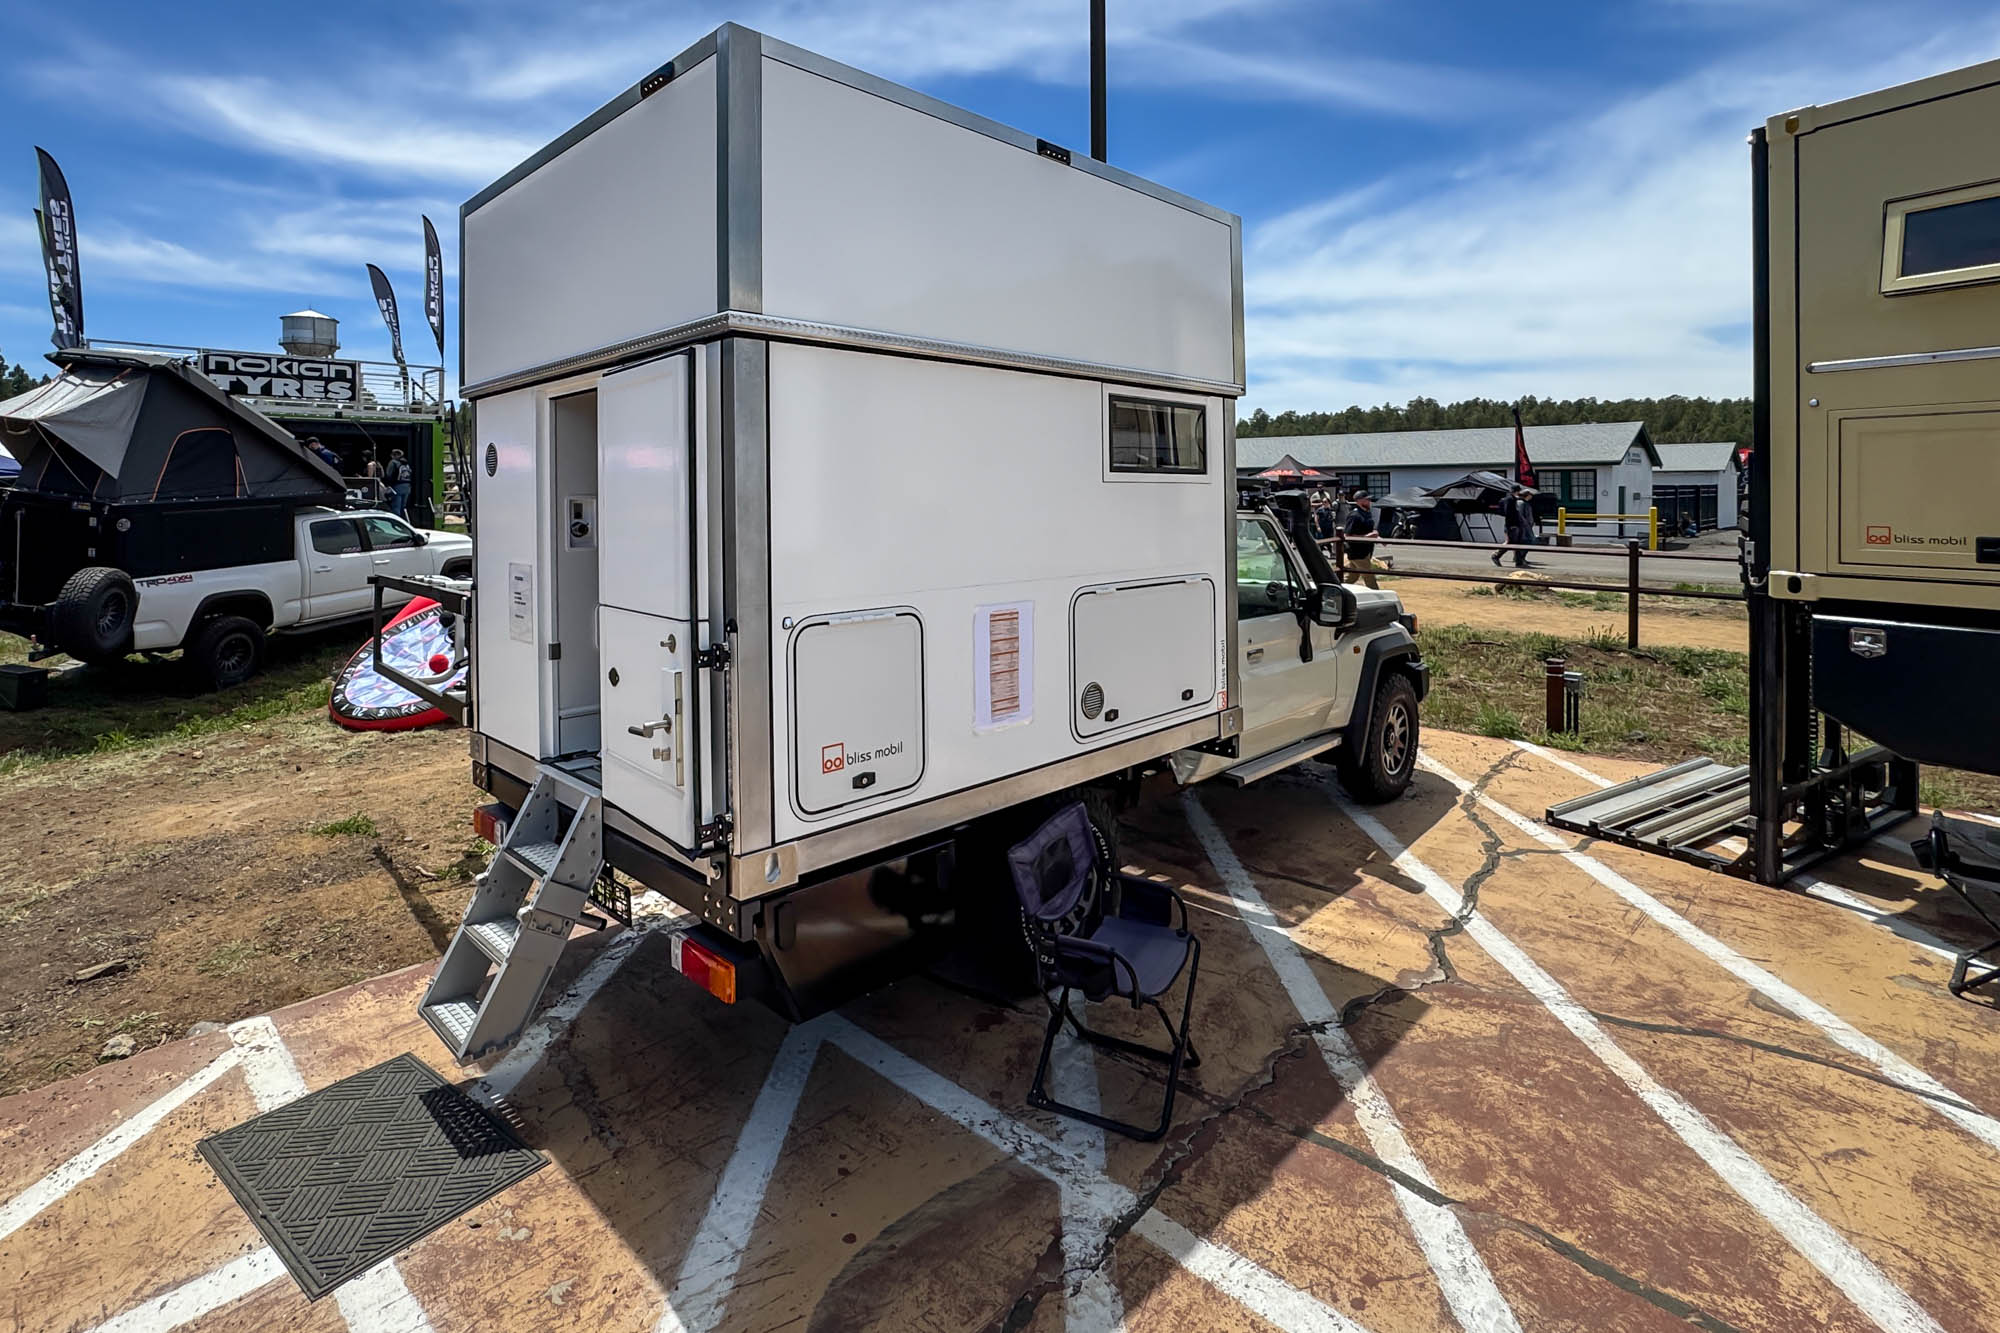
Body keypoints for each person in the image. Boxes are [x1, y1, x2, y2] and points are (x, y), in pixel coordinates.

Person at [1341, 491, 1382, 590]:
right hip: (1357, 552)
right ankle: (1377, 596)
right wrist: (1368, 537)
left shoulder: (1366, 513)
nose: (1369, 501)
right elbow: (1347, 535)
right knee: (1369, 577)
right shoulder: (1354, 515)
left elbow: (1368, 531)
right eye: (1366, 499)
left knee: (1352, 577)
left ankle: (1337, 590)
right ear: (1359, 501)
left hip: (1365, 550)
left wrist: (1378, 538)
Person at [1493, 485, 1536, 568]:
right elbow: (1510, 513)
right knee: (1512, 542)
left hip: (1513, 524)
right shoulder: (1511, 500)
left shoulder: (1509, 499)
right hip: (1512, 524)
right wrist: (1513, 524)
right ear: (1517, 491)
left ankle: (1518, 561)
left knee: (1517, 542)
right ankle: (1496, 556)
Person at [385, 448, 411, 517]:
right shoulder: (406, 463)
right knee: (403, 507)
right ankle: (404, 522)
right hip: (407, 487)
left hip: (397, 487)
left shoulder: (393, 462)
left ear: (393, 455)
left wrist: (387, 484)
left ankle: (396, 524)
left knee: (396, 507)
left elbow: (388, 474)